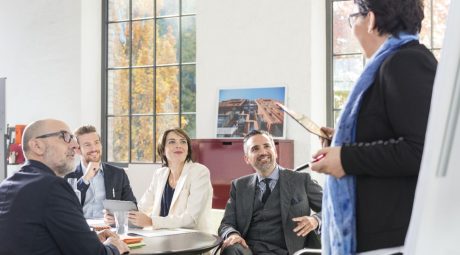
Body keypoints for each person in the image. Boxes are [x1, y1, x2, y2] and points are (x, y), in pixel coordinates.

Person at [310, 0, 437, 254]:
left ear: (371, 20)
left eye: (353, 17)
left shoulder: (405, 63)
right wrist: (341, 144)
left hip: (392, 242)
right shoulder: (395, 63)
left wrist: (345, 158)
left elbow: (422, 149)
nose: (352, 27)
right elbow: (391, 134)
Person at [0, 119, 129, 255]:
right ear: (37, 146)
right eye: (64, 137)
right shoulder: (53, 187)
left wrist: (90, 239)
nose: (75, 145)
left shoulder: (7, 185)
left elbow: (38, 240)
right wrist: (114, 247)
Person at [218, 130, 323, 255]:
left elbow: (334, 209)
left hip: (288, 251)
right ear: (247, 159)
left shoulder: (301, 180)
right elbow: (226, 223)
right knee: (231, 247)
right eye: (255, 149)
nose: (263, 152)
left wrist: (316, 220)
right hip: (249, 251)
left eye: (267, 146)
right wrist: (232, 234)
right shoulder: (239, 186)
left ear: (275, 151)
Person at [106, 128, 213, 232]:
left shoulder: (199, 172)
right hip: (162, 238)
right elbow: (142, 209)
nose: (179, 145)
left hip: (193, 241)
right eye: (172, 142)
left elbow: (191, 219)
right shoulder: (160, 175)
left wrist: (151, 221)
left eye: (183, 142)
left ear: (188, 149)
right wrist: (117, 218)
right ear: (163, 150)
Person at [65, 125, 136, 219]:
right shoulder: (68, 175)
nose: (94, 148)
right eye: (87, 145)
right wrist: (85, 179)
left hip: (109, 228)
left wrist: (116, 218)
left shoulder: (118, 174)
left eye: (96, 143)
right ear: (78, 150)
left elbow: (133, 209)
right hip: (81, 229)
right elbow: (66, 206)